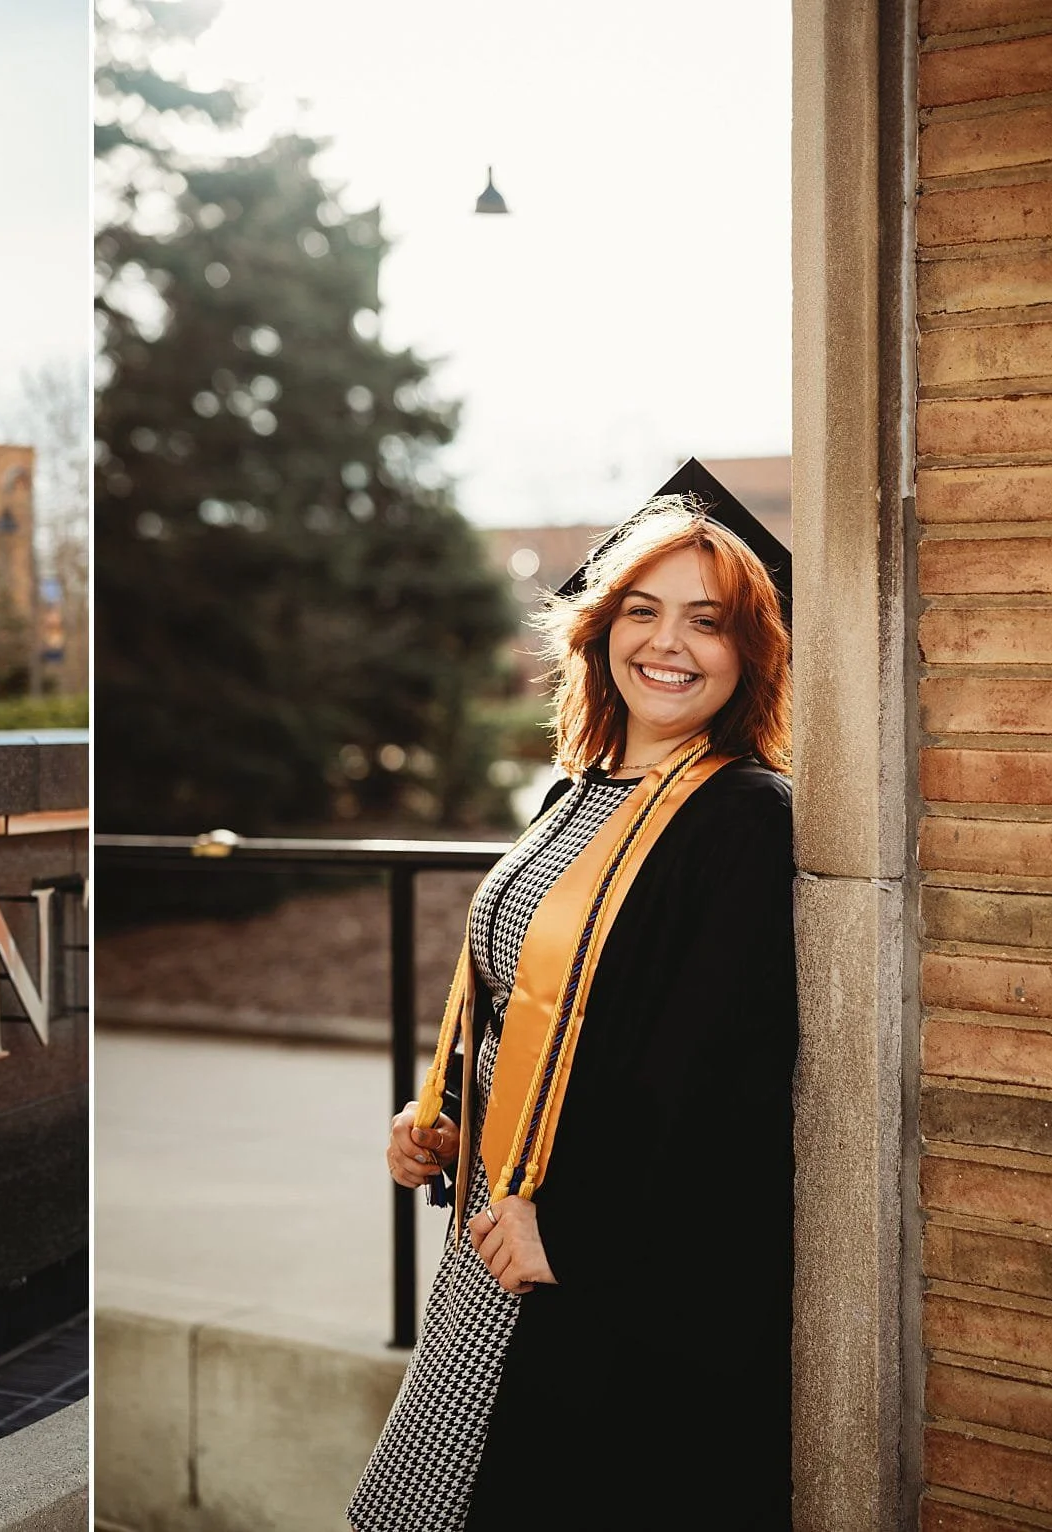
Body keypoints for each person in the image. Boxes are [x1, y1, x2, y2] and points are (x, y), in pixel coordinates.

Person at [350, 461, 798, 1531]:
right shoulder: (577, 791)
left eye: (706, 621)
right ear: (600, 631)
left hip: (593, 1268)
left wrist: (578, 1235)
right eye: (641, 610)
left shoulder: (743, 817)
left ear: (749, 652)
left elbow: (716, 1075)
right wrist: (445, 1111)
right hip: (493, 1228)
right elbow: (521, 996)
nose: (667, 642)